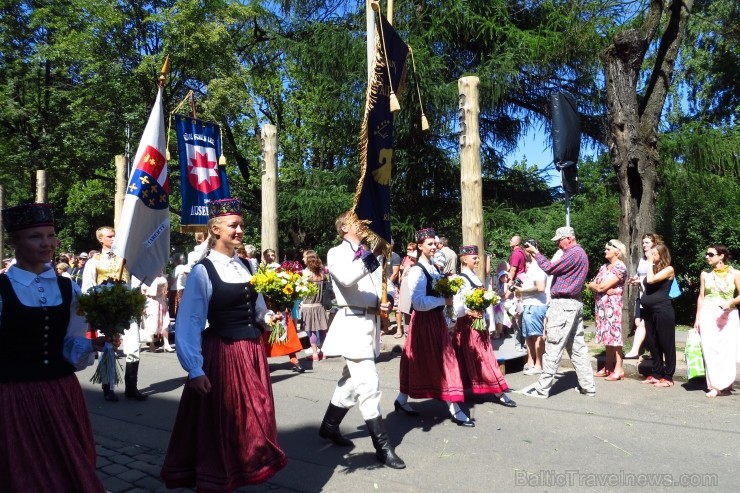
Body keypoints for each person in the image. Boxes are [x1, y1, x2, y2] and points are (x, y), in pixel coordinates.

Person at [161, 198, 287, 490]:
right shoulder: (203, 270)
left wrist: (270, 317)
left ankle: (243, 473)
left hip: (252, 352)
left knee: (254, 420)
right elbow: (190, 321)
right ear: (215, 229)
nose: (240, 230)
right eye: (234, 225)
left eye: (242, 225)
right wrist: (194, 369)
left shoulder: (247, 265)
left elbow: (257, 310)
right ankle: (219, 479)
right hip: (224, 355)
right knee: (224, 424)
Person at [0, 202, 107, 492]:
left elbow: (70, 342)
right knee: (24, 471)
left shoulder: (66, 286)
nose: (46, 243)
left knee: (70, 466)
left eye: (50, 235)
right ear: (15, 242)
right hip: (14, 396)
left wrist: (91, 344)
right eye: (36, 236)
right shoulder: (2, 289)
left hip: (60, 391)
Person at [318, 212, 405, 469]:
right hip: (352, 323)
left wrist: (385, 299)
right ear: (344, 227)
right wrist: (373, 255)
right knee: (368, 384)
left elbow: (377, 288)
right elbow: (346, 279)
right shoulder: (337, 252)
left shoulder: (367, 253)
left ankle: (328, 427)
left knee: (350, 381)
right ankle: (383, 447)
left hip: (370, 323)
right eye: (358, 222)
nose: (365, 225)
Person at [395, 227, 473, 427]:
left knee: (421, 361)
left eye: (435, 244)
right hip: (424, 322)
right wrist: (444, 301)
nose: (434, 247)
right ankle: (455, 408)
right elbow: (418, 302)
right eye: (429, 244)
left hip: (435, 321)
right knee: (444, 363)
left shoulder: (433, 269)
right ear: (420, 246)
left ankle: (401, 400)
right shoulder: (417, 272)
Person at [521, 227, 595, 398]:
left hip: (563, 305)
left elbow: (549, 268)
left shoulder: (574, 253)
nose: (558, 245)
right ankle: (588, 386)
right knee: (578, 348)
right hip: (574, 303)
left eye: (559, 241)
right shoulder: (580, 253)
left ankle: (542, 389)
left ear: (568, 238)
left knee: (553, 346)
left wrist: (536, 253)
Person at [82, 226, 147, 401]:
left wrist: (136, 301)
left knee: (133, 346)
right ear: (101, 239)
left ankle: (131, 387)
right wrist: (96, 306)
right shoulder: (93, 261)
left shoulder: (126, 259)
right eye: (110, 236)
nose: (113, 239)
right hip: (106, 310)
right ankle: (108, 387)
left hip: (128, 308)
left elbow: (135, 283)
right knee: (107, 347)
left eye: (115, 236)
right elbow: (87, 287)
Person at [453, 245, 516, 407]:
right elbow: (457, 305)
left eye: (478, 257)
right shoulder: (461, 279)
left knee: (483, 355)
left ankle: (495, 388)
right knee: (474, 356)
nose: (478, 260)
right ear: (464, 259)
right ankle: (491, 389)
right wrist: (470, 311)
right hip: (467, 325)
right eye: (474, 258)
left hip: (478, 324)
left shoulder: (475, 277)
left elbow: (482, 298)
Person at [694, 245, 740, 397]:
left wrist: (731, 302)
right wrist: (697, 318)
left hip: (728, 315)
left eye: (710, 254)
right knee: (710, 349)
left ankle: (726, 382)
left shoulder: (735, 273)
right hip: (708, 313)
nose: (707, 257)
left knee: (727, 350)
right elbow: (701, 296)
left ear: (721, 256)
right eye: (706, 254)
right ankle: (715, 385)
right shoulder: (705, 274)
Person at [587, 239, 628, 381]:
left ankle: (619, 368)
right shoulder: (604, 267)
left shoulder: (620, 267)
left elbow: (600, 287)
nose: (605, 251)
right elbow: (593, 283)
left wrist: (599, 286)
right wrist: (597, 286)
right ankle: (608, 366)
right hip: (602, 306)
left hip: (613, 306)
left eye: (607, 249)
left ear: (617, 251)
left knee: (615, 336)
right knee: (607, 336)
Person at [640, 244, 676, 387]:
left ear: (661, 255)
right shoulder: (652, 268)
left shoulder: (669, 269)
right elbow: (647, 284)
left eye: (654, 253)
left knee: (666, 342)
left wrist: (648, 263)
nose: (650, 255)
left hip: (663, 310)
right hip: (649, 311)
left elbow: (651, 280)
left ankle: (668, 376)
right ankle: (656, 373)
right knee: (653, 343)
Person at [624, 234, 663, 359]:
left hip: (652, 295)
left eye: (647, 242)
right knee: (639, 321)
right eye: (643, 243)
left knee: (652, 324)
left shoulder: (657, 258)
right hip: (641, 295)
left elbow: (655, 278)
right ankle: (635, 351)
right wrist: (634, 279)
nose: (644, 245)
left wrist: (639, 281)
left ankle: (655, 352)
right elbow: (639, 273)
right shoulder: (642, 259)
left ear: (654, 243)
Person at [514, 239, 547, 375]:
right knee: (528, 335)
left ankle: (539, 365)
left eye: (528, 246)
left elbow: (540, 288)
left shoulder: (538, 266)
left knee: (536, 335)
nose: (525, 249)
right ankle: (531, 362)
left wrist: (521, 290)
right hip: (528, 305)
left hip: (536, 305)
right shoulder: (531, 266)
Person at [300, 250, 330, 361]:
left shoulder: (305, 273)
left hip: (308, 305)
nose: (302, 259)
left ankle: (314, 354)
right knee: (322, 329)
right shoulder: (322, 272)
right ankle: (324, 352)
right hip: (320, 305)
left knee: (311, 330)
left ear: (308, 259)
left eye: (304, 257)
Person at [141, 271, 173, 353]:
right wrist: (143, 305)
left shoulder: (162, 276)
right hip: (151, 301)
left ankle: (166, 343)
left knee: (165, 323)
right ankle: (151, 344)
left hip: (161, 301)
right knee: (151, 323)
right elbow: (143, 291)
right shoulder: (148, 276)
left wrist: (165, 302)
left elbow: (165, 291)